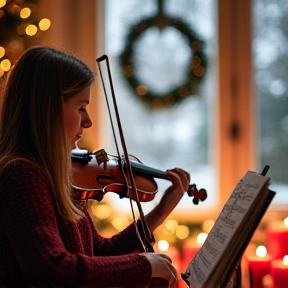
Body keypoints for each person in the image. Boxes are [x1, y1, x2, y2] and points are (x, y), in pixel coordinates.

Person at [0, 46, 190, 288]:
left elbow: (97, 250)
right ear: (47, 109)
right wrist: (144, 265)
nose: (88, 121)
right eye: (81, 108)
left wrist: (161, 211)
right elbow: (52, 269)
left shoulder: (59, 176)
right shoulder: (21, 175)